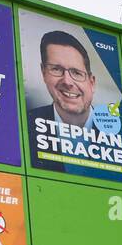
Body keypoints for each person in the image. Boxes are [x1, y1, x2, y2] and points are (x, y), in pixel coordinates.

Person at [26, 30, 97, 172]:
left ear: (92, 82)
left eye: (76, 73)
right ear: (44, 73)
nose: (67, 81)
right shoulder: (25, 125)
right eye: (57, 69)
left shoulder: (119, 133)